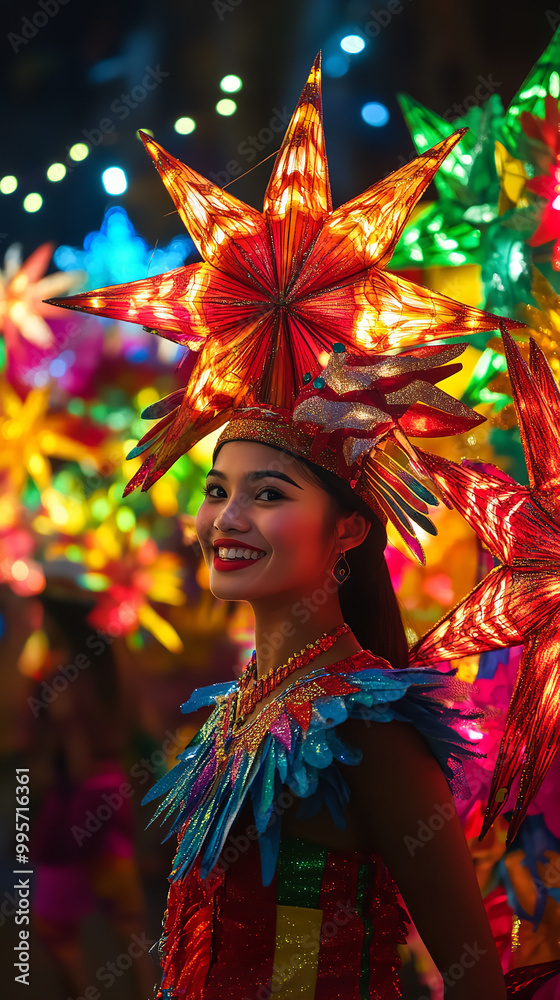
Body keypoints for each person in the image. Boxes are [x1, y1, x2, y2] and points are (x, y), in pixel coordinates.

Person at [48, 54, 560, 999]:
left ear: (351, 532)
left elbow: (469, 974)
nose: (226, 519)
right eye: (217, 488)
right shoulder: (233, 710)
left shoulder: (371, 723)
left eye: (268, 494)